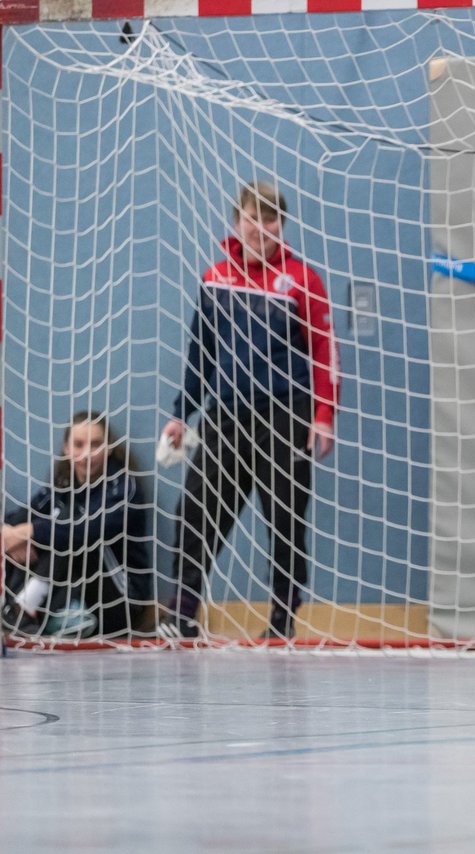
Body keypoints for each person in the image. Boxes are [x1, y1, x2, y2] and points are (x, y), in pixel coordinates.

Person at [157, 181, 338, 641]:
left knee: (284, 521)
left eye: (271, 218)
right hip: (226, 415)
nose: (261, 227)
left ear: (283, 225)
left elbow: (324, 351)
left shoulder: (302, 279)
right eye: (252, 217)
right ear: (236, 223)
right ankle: (182, 615)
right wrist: (183, 414)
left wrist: (323, 414)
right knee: (194, 512)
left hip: (286, 415)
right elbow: (201, 353)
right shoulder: (215, 276)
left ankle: (281, 623)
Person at [2, 411, 152, 638]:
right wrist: (9, 532)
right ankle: (14, 609)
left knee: (68, 529)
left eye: (95, 444)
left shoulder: (122, 487)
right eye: (79, 445)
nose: (86, 454)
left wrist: (31, 531)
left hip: (121, 600)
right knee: (25, 532)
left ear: (109, 447)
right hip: (78, 594)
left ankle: (23, 609)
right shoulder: (63, 486)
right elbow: (21, 517)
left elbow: (87, 531)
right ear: (66, 449)